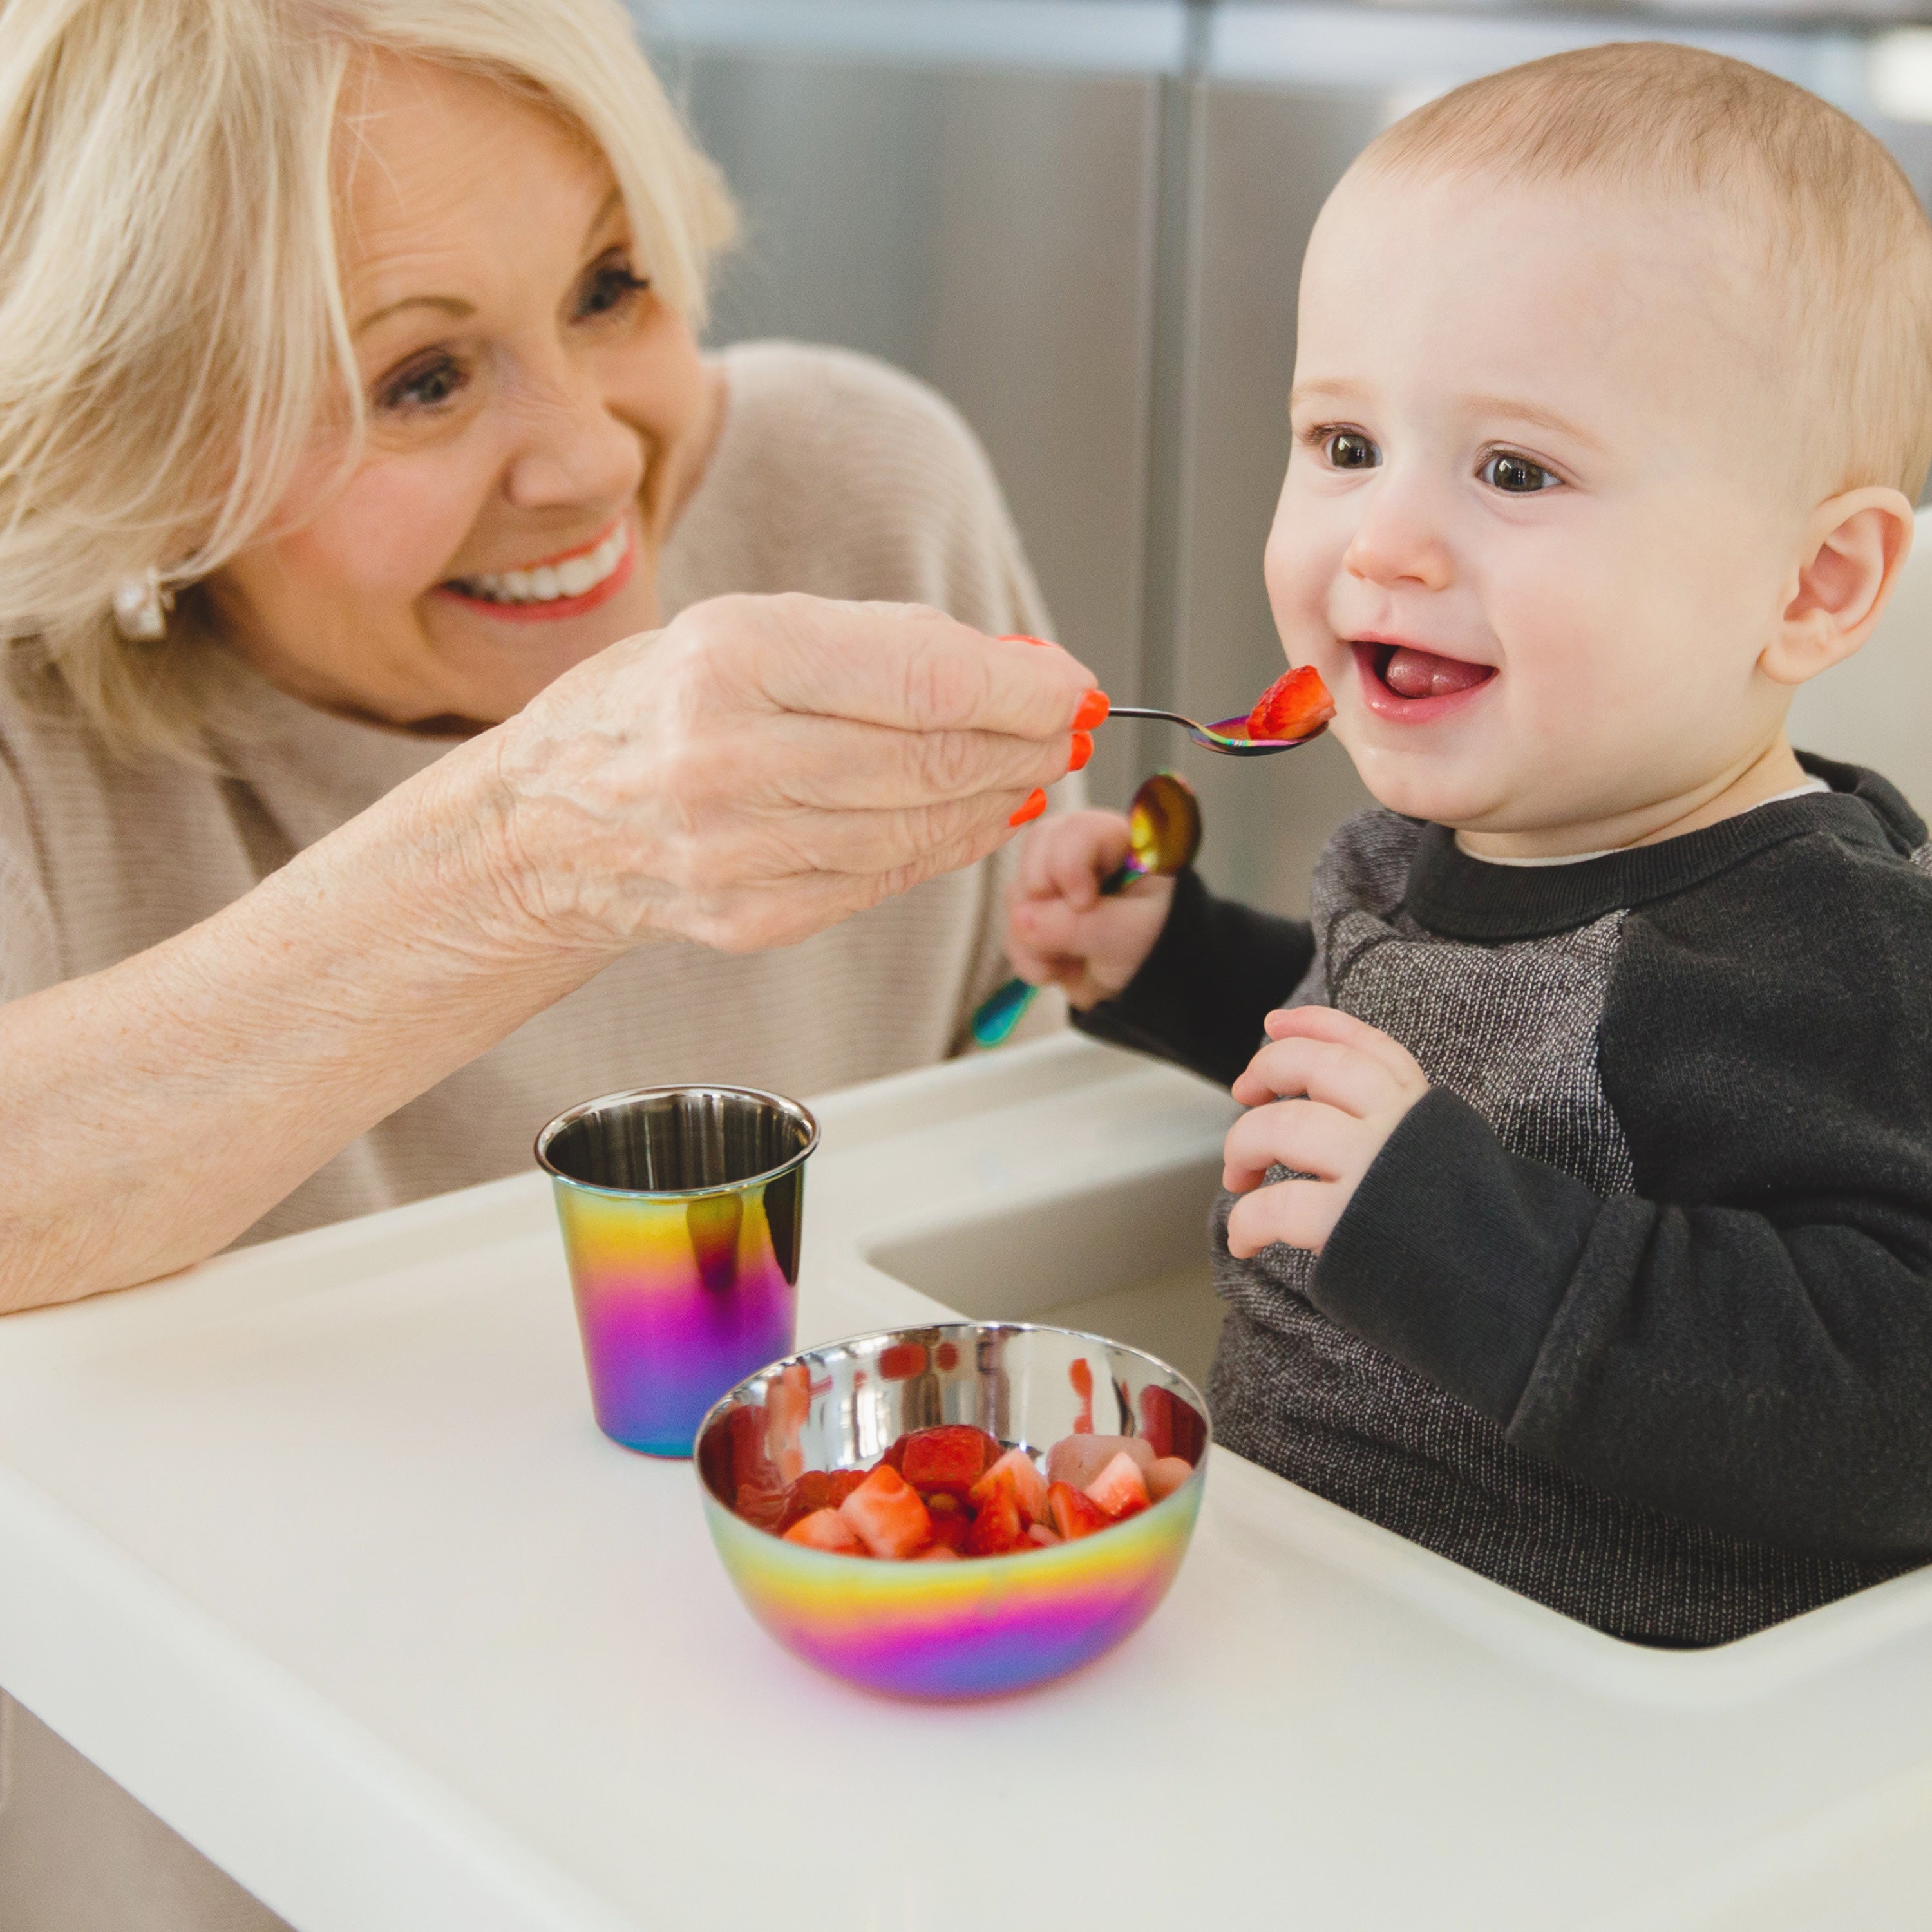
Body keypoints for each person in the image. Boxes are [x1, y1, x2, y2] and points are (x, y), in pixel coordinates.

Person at [1007, 42, 1932, 1647]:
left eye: (1515, 469)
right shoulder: (1444, 830)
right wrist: (1175, 963)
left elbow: (1893, 1400)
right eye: (1346, 445)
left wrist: (1450, 1232)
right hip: (1319, 1626)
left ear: (1814, 587)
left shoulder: (1821, 953)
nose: (1385, 539)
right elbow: (1410, 1036)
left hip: (1581, 1743)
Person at [0, 0, 1104, 1321]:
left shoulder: (865, 499)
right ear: (145, 453)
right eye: (423, 381)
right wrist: (529, 856)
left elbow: (1045, 1167)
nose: (592, 461)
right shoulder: (33, 722)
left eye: (608, 288)